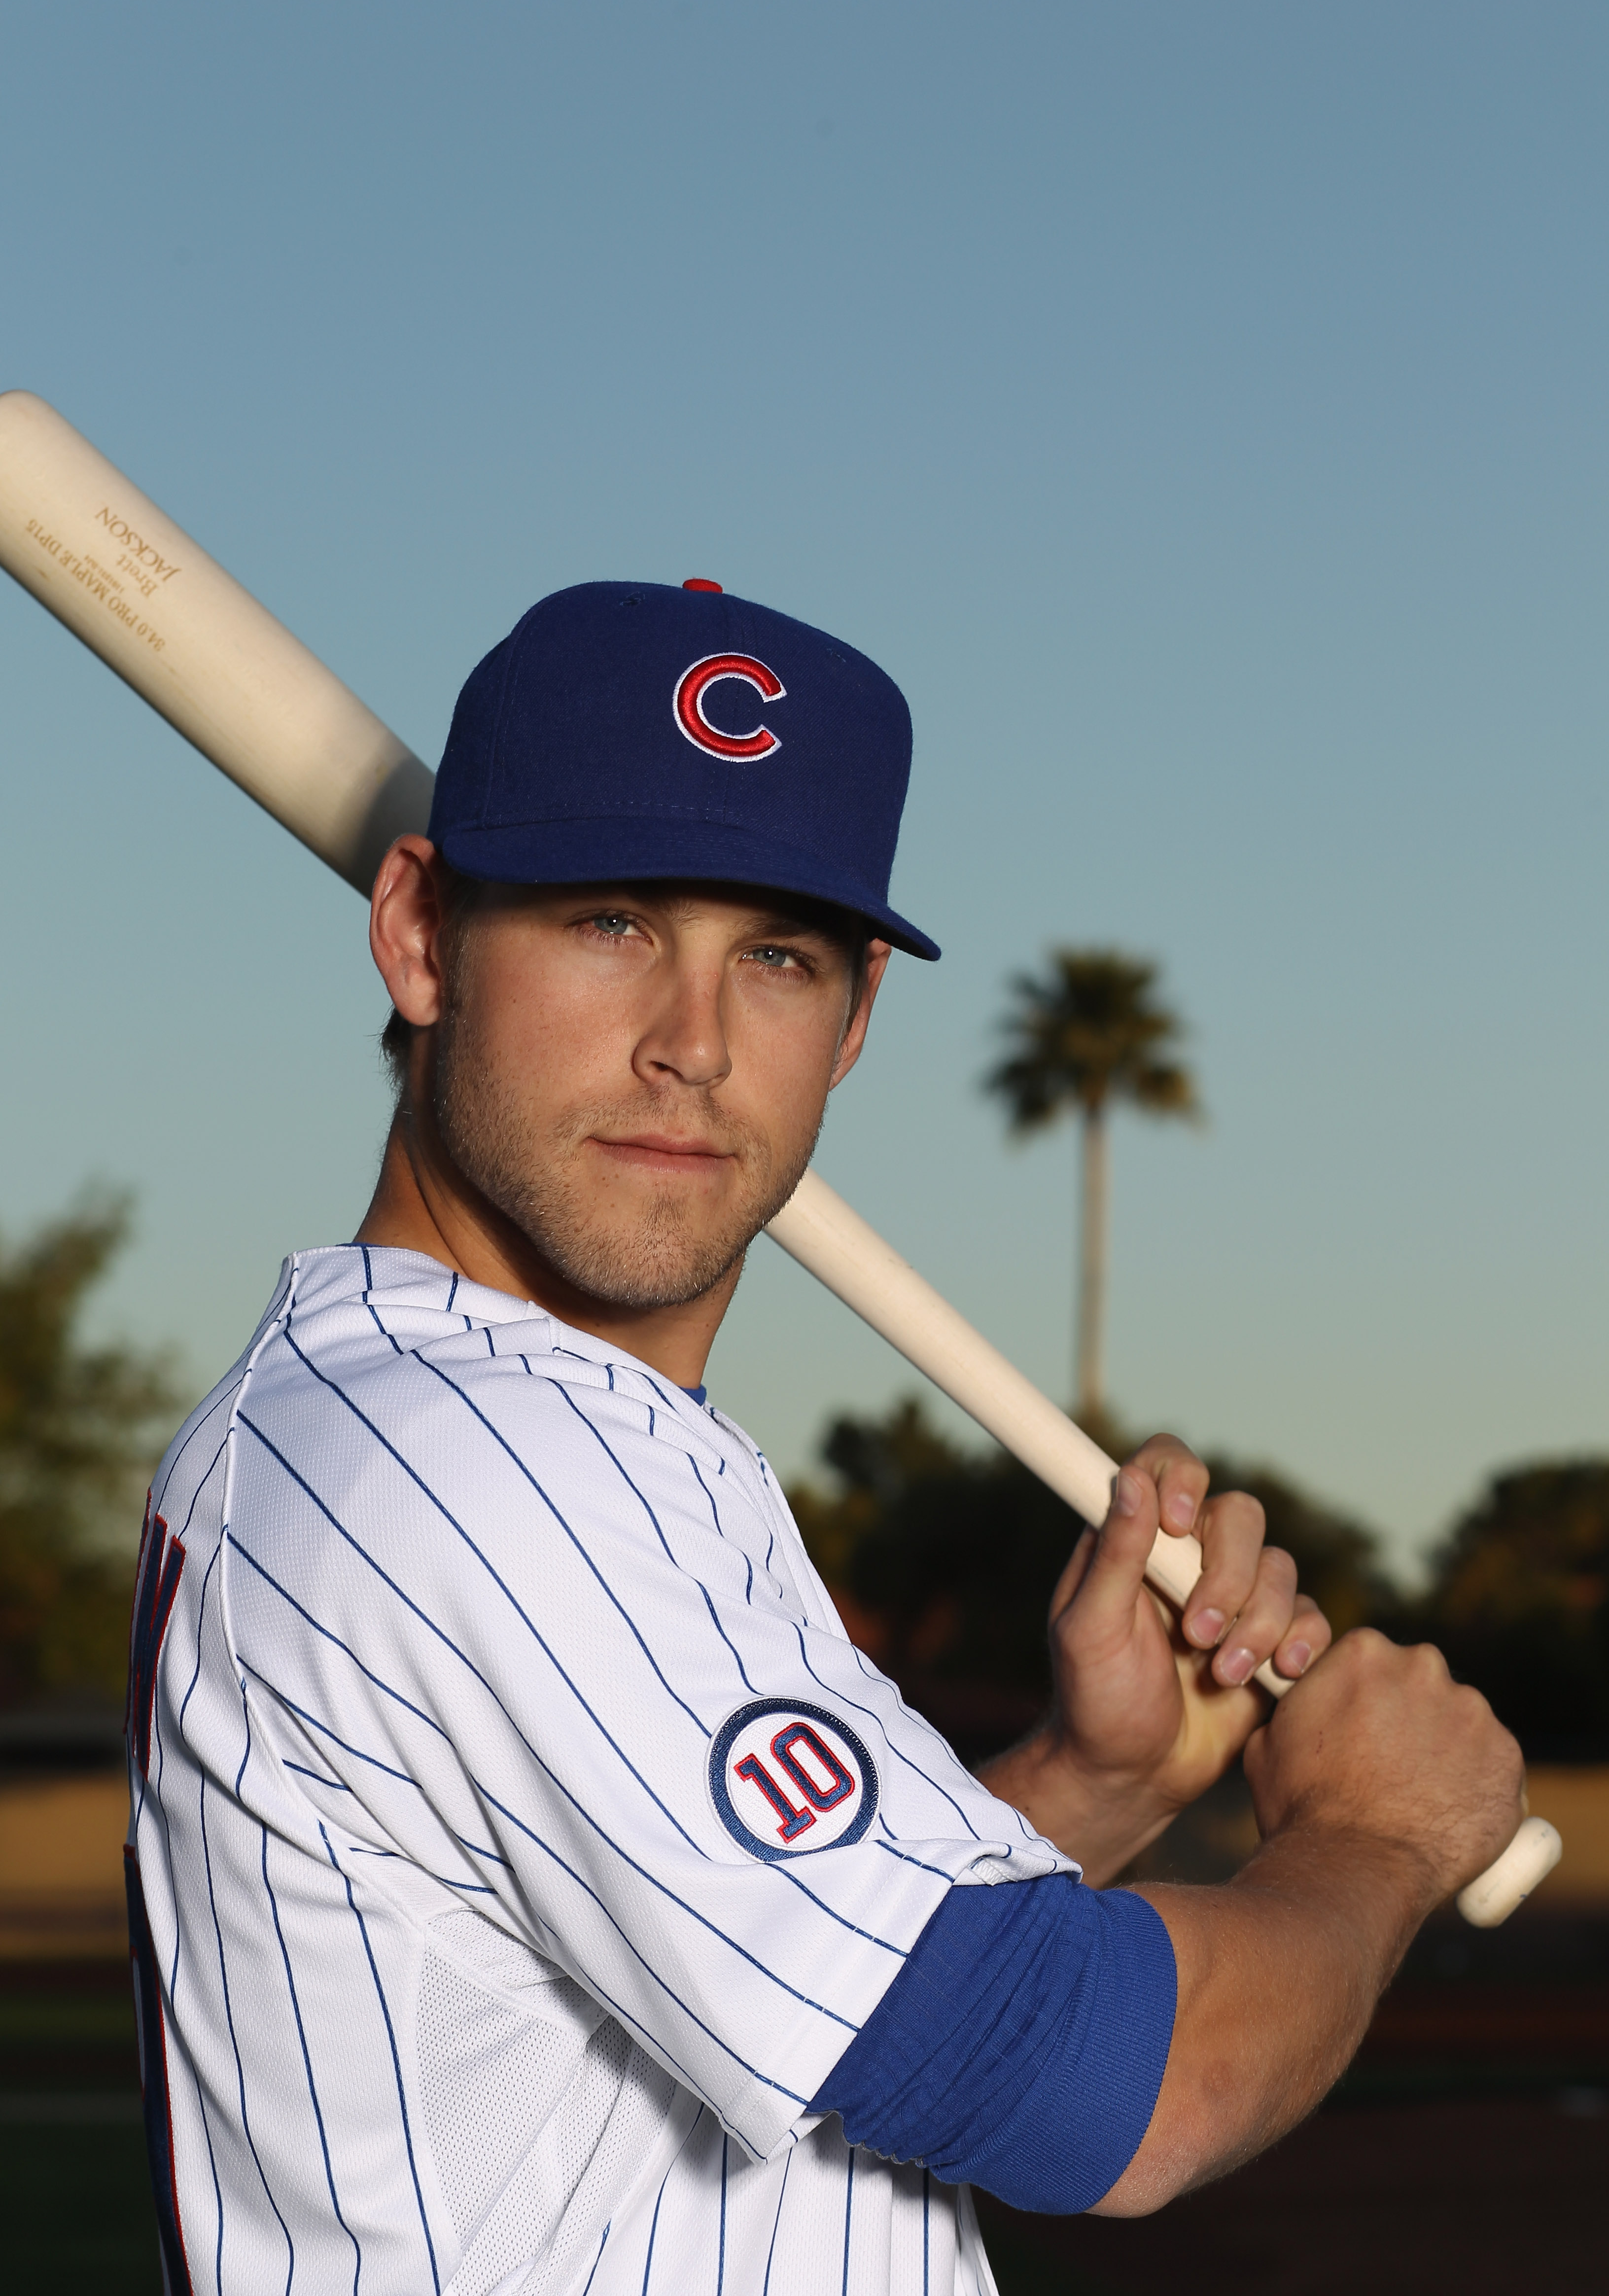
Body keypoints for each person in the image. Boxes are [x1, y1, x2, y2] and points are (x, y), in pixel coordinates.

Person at [126, 580, 1522, 2296]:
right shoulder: (479, 1473)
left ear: (854, 1022)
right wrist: (1379, 1836)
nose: (693, 1047)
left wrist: (1099, 1784)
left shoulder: (424, 1432)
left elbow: (689, 2084)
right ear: (422, 940)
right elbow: (1120, 2098)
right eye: (608, 921)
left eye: (773, 958)